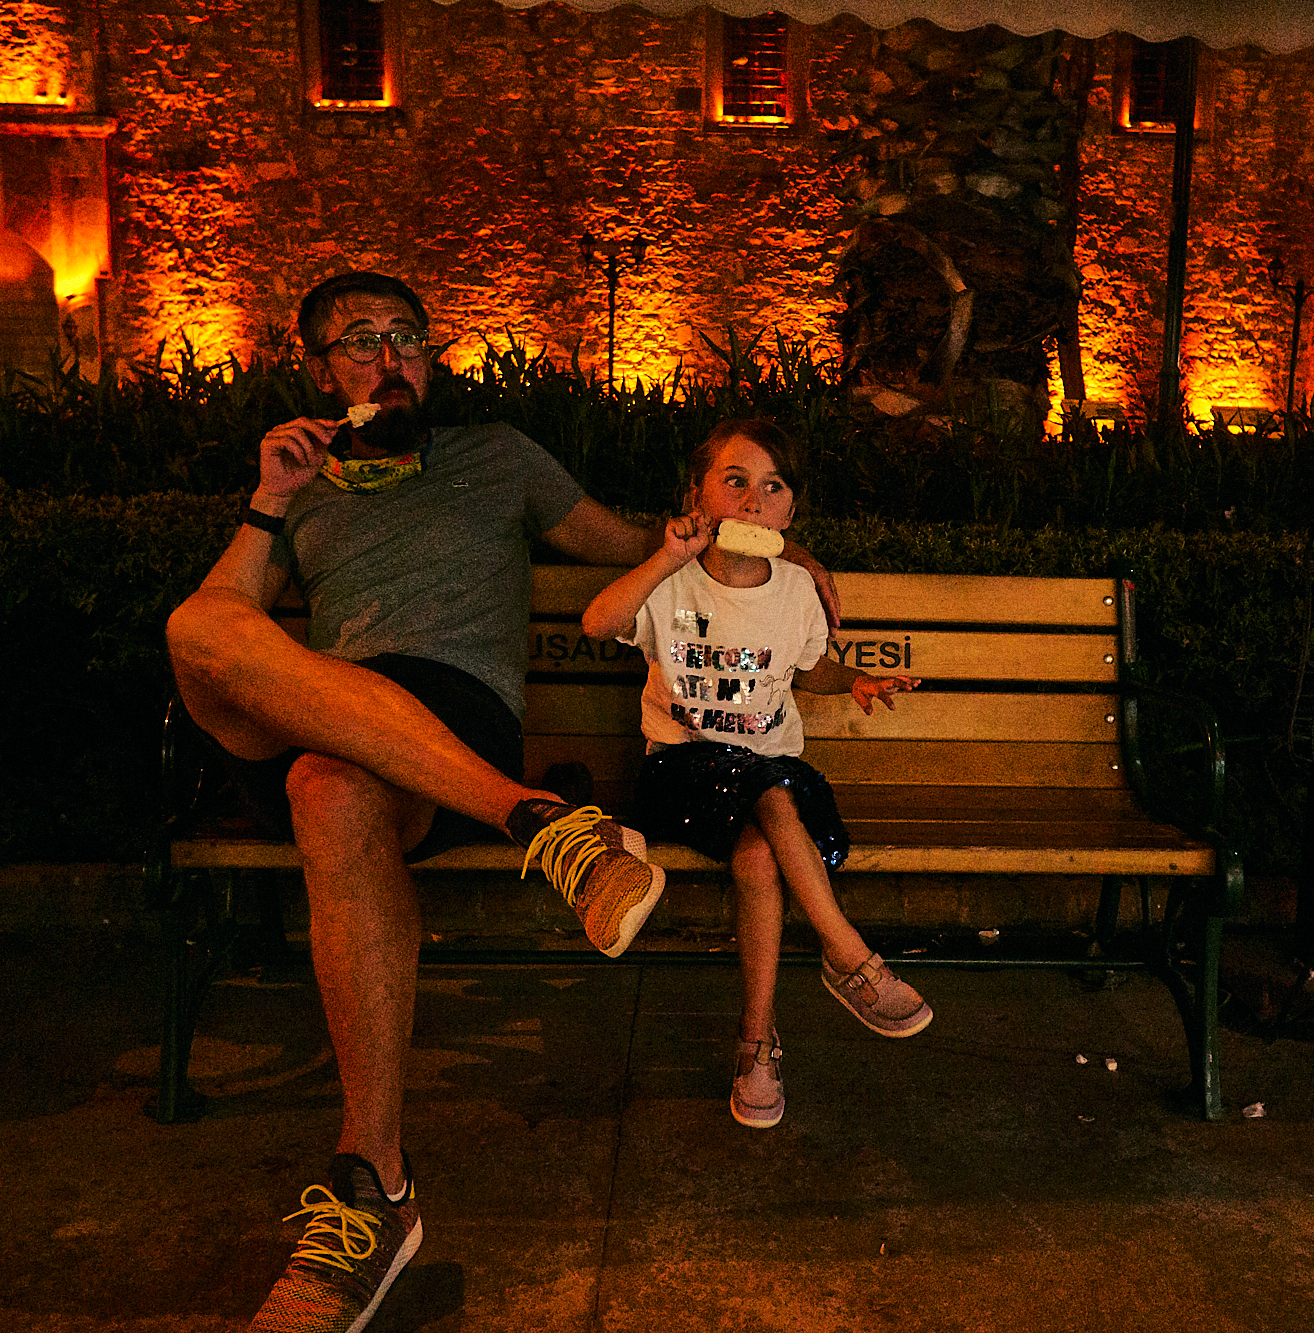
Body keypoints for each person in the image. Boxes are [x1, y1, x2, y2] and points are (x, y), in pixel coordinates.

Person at [164, 274, 835, 1333]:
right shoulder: (300, 482)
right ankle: (540, 825)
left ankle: (371, 1185)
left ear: (431, 357)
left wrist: (761, 541)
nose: (388, 361)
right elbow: (228, 629)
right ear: (315, 369)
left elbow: (635, 550)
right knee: (198, 629)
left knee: (327, 792)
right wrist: (272, 499)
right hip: (320, 706)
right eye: (358, 344)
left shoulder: (499, 458)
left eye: (406, 340)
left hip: (445, 723)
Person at [582, 418, 931, 1130]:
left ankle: (756, 1044)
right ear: (698, 495)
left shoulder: (798, 588)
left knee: (759, 853)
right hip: (679, 771)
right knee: (769, 792)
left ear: (789, 512)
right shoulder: (671, 581)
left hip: (769, 775)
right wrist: (667, 556)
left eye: (772, 487)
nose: (752, 500)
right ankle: (850, 957)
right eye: (733, 482)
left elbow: (812, 666)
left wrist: (855, 680)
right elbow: (596, 622)